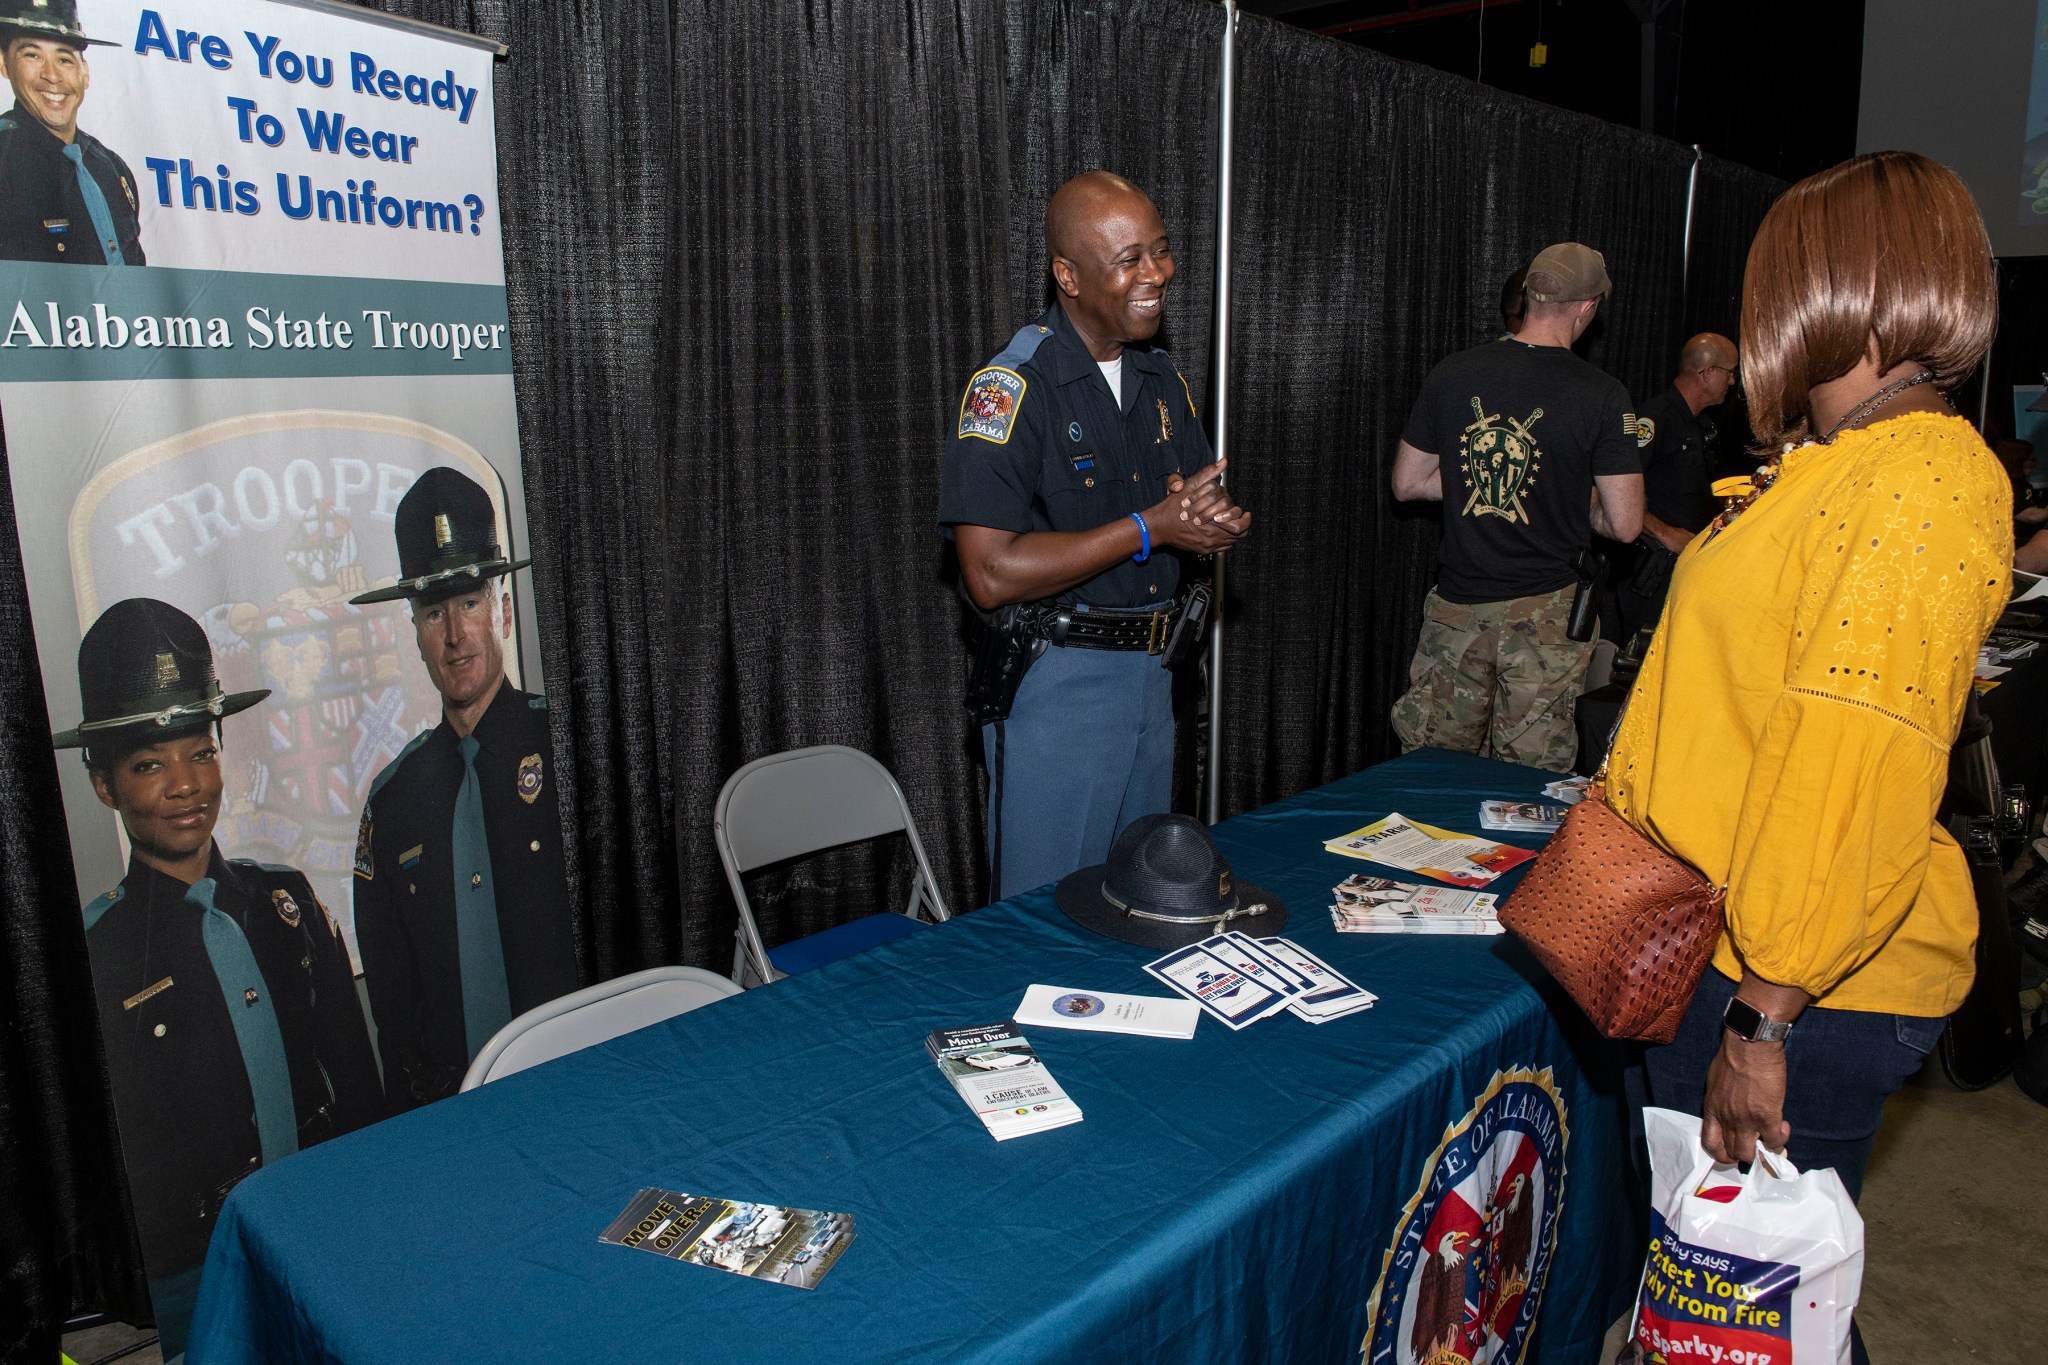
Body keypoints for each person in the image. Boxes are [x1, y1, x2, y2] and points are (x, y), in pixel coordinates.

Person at [1605, 151, 2009, 1364]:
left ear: (1827, 285)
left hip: (1782, 981)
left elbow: (1852, 760)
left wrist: (1763, 1018)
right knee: (1724, 1309)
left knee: (1743, 1318)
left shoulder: (1919, 481)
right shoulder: (1842, 468)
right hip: (1710, 942)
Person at [58, 599, 382, 1359]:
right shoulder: (94, 961)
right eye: (149, 764)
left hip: (328, 1240)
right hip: (193, 1289)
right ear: (103, 783)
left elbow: (362, 1096)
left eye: (200, 752)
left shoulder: (289, 902)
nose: (184, 785)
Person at [937, 170, 1250, 900]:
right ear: (1068, 275)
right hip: (1058, 687)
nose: (1158, 274)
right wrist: (1149, 529)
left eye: (1163, 251)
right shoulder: (1011, 388)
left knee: (1145, 904)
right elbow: (989, 571)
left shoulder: (1162, 382)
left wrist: (1210, 526)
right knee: (1048, 914)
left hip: (1154, 676)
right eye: (1130, 259)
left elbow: (1194, 504)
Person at [349, 468, 578, 1110]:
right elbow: (394, 1017)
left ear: (500, 605)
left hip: (584, 1086)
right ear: (414, 630)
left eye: (470, 604)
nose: (454, 637)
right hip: (458, 1119)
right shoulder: (393, 805)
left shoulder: (567, 750)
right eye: (433, 613)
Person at [1389, 241, 1644, 771]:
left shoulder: (1453, 373)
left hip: (1457, 611)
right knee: (1525, 792)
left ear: (1528, 294)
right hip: (1545, 622)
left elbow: (1408, 484)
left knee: (1431, 775)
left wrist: (1474, 483)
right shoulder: (1603, 394)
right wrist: (1572, 493)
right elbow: (1624, 525)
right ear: (1588, 307)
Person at [1614, 332, 1739, 641]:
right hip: (1650, 568)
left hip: (1683, 566)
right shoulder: (1654, 419)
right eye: (1730, 372)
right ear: (1707, 373)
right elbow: (1616, 493)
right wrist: (1664, 533)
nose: (1733, 382)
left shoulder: (1701, 425)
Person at [0, 0, 144, 265]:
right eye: (32, 55)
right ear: (4, 64)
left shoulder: (111, 167)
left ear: (84, 73)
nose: (52, 75)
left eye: (64, 58)